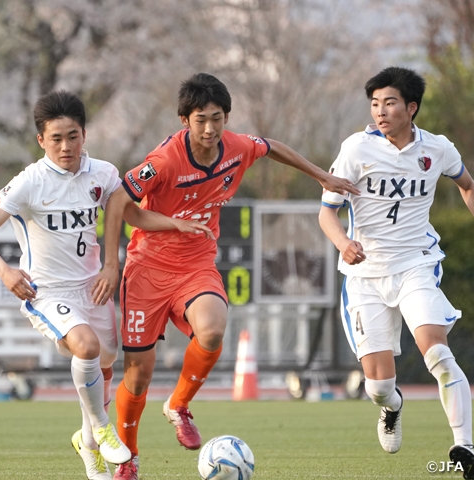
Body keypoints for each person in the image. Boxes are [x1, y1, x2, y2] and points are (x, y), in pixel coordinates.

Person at [103, 72, 359, 480]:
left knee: (213, 329)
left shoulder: (236, 147)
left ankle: (179, 405)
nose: (210, 128)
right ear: (185, 120)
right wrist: (156, 235)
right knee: (138, 373)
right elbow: (121, 203)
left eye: (217, 118)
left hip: (196, 264)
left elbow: (272, 146)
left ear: (227, 117)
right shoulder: (165, 160)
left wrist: (321, 176)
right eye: (201, 119)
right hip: (147, 268)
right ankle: (128, 456)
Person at [0, 90, 212, 480]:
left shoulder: (102, 173)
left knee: (101, 369)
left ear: (84, 134)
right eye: (56, 138)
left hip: (94, 289)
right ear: (41, 141)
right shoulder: (30, 181)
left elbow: (130, 213)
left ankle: (86, 442)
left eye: (73, 136)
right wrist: (4, 271)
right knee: (85, 346)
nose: (66, 146)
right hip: (47, 292)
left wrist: (174, 223)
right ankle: (102, 428)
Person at [319, 66, 474, 478]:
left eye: (389, 103)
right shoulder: (356, 149)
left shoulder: (438, 149)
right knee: (379, 386)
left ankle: (465, 446)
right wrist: (343, 243)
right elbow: (327, 213)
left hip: (416, 265)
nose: (380, 111)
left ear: (411, 107)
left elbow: (467, 184)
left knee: (438, 354)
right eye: (374, 104)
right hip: (365, 276)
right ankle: (392, 407)